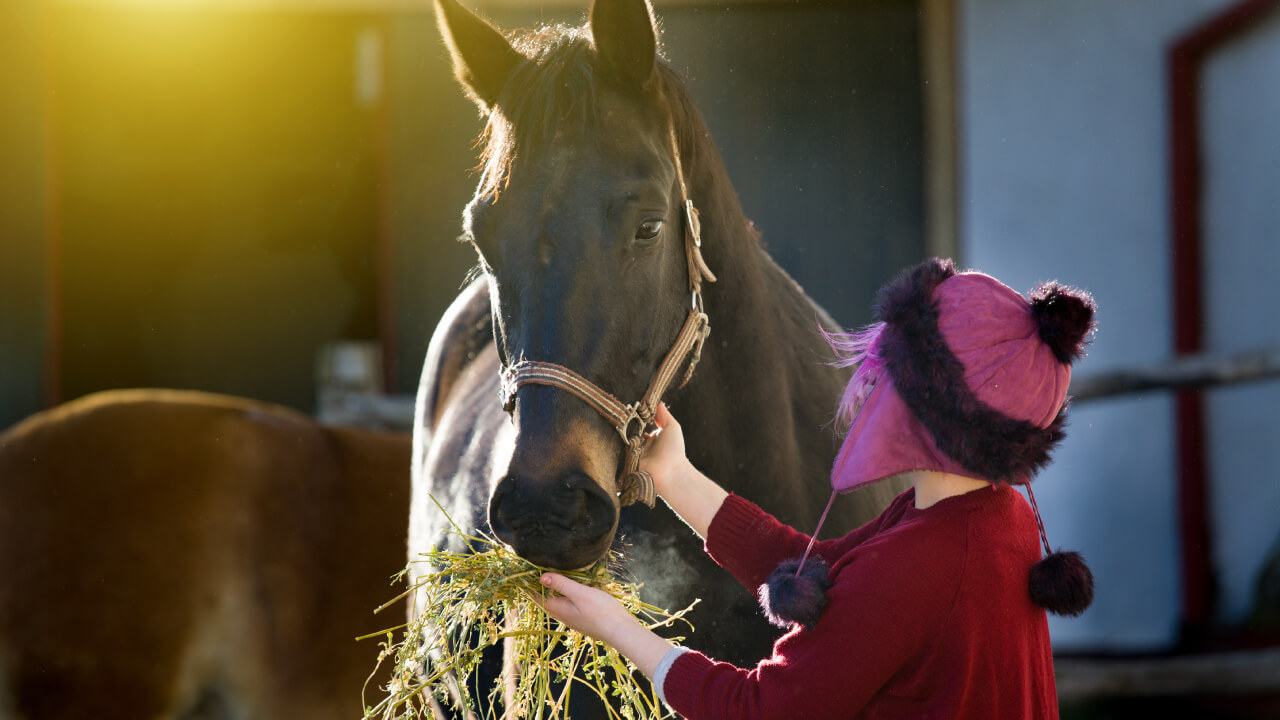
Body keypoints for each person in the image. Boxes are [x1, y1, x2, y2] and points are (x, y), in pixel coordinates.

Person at [534, 258, 1097, 719]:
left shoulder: (917, 567)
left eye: (894, 365)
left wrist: (616, 627)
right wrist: (675, 475)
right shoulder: (991, 512)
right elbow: (830, 575)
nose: (874, 377)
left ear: (933, 404)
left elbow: (758, 711)